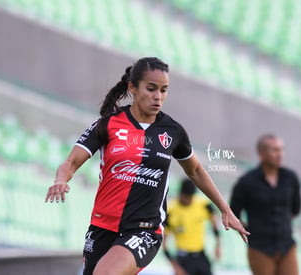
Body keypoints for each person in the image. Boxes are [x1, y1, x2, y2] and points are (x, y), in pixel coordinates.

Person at [45, 57, 249, 275]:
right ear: (132, 87)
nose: (158, 97)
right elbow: (71, 161)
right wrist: (60, 179)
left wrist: (225, 210)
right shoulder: (108, 124)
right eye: (151, 89)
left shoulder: (173, 131)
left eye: (163, 90)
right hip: (101, 227)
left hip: (144, 231)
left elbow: (196, 170)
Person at [230, 134, 301, 275]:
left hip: (287, 245)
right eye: (275, 150)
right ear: (261, 154)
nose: (280, 154)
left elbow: (295, 209)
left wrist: (282, 225)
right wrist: (251, 231)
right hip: (260, 248)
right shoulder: (246, 182)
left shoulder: (290, 177)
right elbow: (233, 214)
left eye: (281, 150)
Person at [163, 178, 221, 275]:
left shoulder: (203, 204)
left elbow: (214, 221)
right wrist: (175, 266)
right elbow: (164, 242)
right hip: (183, 258)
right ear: (180, 193)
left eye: (190, 197)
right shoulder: (170, 210)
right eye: (186, 197)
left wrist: (218, 244)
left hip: (201, 255)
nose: (188, 200)